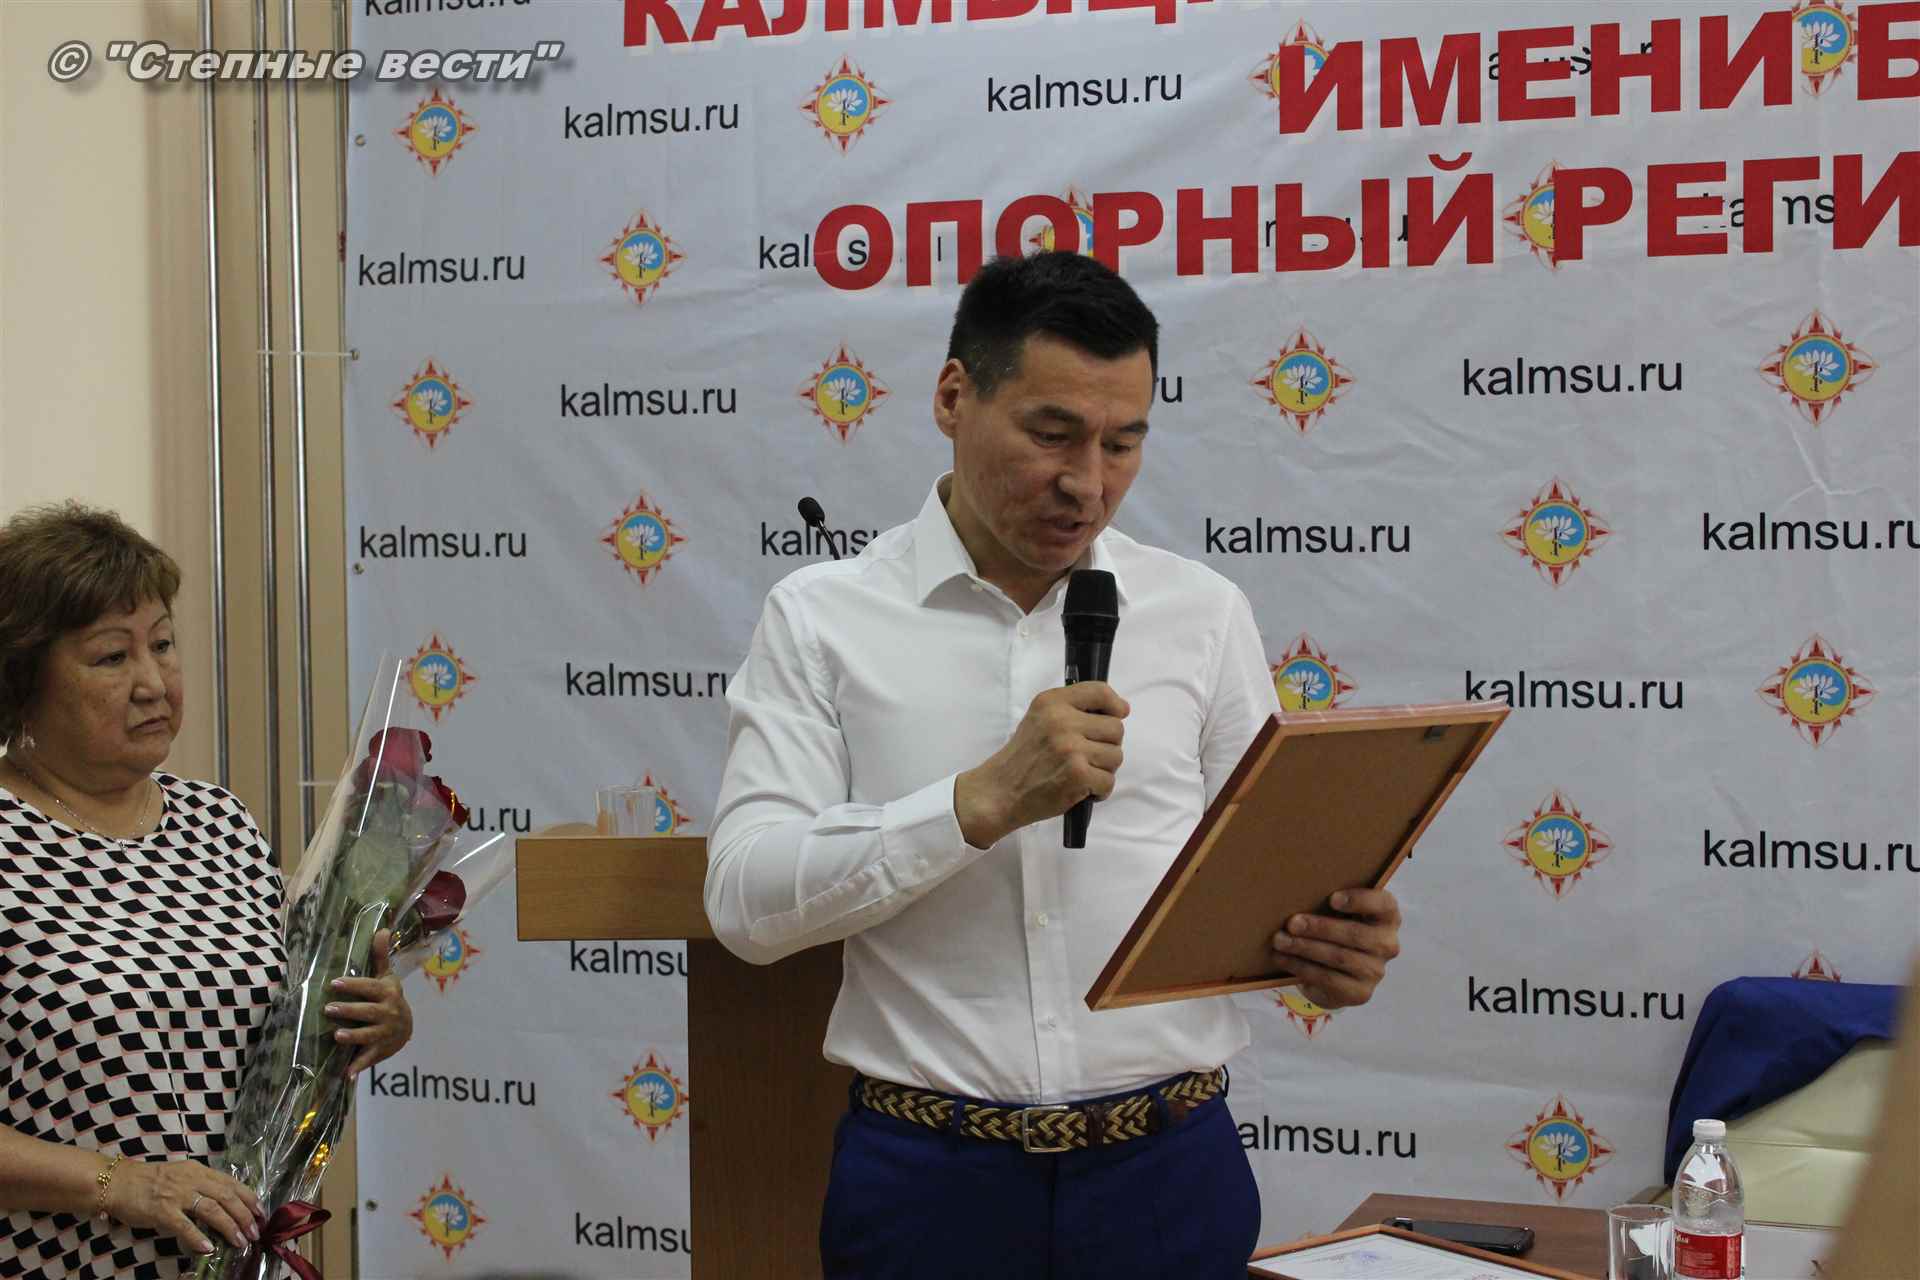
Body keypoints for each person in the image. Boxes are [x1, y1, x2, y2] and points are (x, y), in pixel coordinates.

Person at [708, 252, 1403, 1279]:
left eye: (1123, 442)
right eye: (1052, 434)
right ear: (954, 397)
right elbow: (745, 901)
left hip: (1169, 1171)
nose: (1088, 483)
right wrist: (976, 803)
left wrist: (1329, 949)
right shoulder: (820, 619)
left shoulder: (1203, 613)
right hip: (927, 1184)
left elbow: (1258, 876)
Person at [0, 502, 414, 1279]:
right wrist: (121, 1183)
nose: (153, 682)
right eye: (111, 657)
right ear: (22, 678)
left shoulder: (218, 822)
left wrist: (369, 1018)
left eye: (162, 645)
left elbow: (284, 1034)